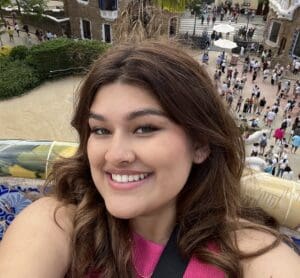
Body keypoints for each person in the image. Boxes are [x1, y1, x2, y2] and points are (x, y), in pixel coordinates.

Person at [0, 42, 299, 277]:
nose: (115, 155)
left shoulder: (250, 256)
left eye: (145, 128)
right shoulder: (58, 225)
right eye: (101, 130)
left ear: (200, 144)